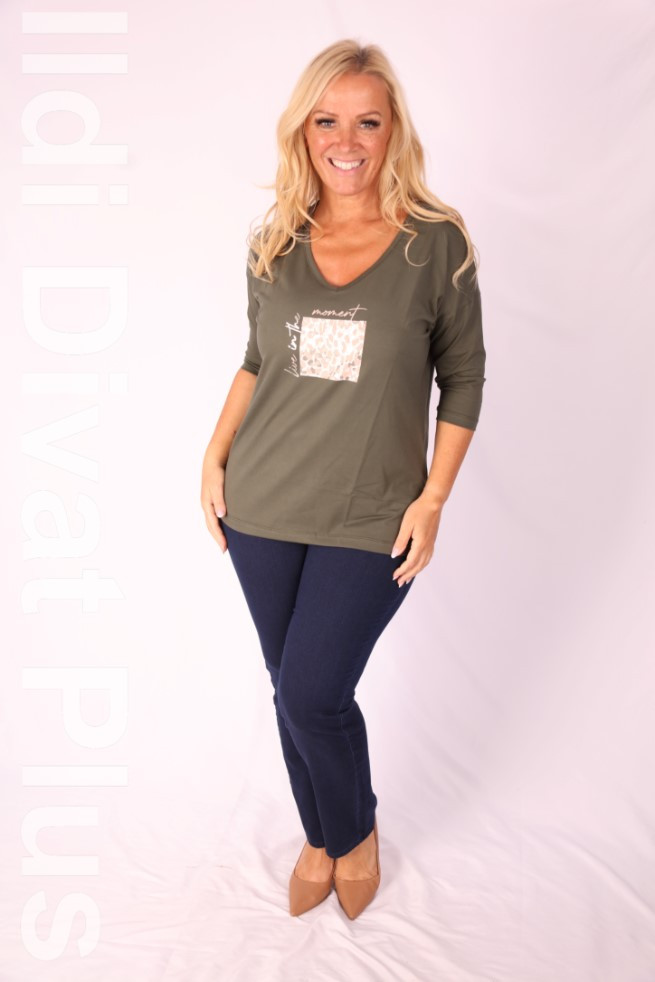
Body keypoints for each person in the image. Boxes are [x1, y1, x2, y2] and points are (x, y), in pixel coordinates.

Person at [200, 38, 486, 920]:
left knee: (314, 691)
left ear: (392, 128)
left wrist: (432, 499)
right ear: (303, 131)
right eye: (326, 121)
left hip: (373, 511)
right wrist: (212, 453)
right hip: (263, 500)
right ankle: (319, 835)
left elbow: (462, 377)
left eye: (367, 120)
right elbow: (257, 359)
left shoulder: (434, 244)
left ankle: (353, 830)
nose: (346, 140)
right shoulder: (275, 239)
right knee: (289, 686)